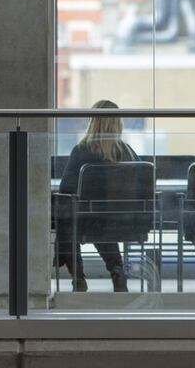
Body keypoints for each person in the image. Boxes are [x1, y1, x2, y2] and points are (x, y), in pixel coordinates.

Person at [56, 99, 132, 293]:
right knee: (100, 221)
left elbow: (66, 189)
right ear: (118, 123)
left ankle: (78, 276)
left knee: (66, 219)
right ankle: (117, 272)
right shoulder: (126, 152)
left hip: (88, 220)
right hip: (125, 219)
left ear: (92, 121)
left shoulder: (81, 151)